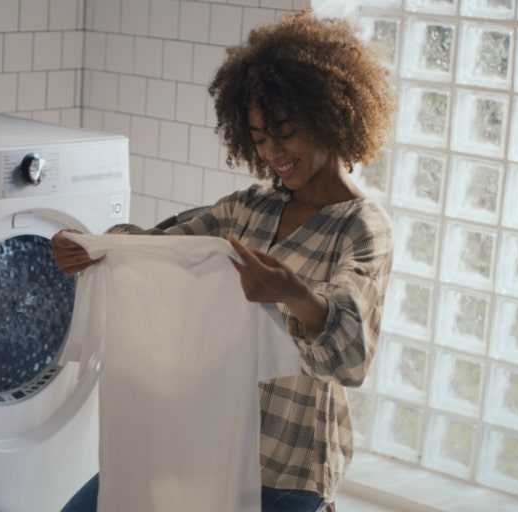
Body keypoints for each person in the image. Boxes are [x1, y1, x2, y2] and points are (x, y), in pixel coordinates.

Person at [52, 7, 395, 512]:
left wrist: (292, 294)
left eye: (285, 130)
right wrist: (95, 249)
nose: (273, 150)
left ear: (329, 115)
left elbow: (350, 356)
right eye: (259, 137)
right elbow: (159, 249)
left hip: (285, 467)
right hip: (199, 441)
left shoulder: (362, 227)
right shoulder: (248, 208)